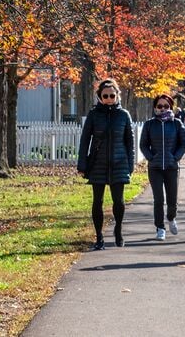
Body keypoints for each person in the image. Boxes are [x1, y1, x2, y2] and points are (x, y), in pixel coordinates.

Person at [77, 79, 135, 250]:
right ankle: (99, 236)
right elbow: (85, 140)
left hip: (119, 163)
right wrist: (82, 164)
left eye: (112, 95)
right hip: (98, 163)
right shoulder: (94, 115)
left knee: (119, 201)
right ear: (100, 97)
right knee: (97, 201)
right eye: (105, 96)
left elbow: (129, 143)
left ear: (117, 95)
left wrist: (130, 166)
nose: (109, 98)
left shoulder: (124, 115)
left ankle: (118, 229)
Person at [139, 93, 185, 240]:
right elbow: (143, 145)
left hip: (172, 167)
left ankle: (171, 218)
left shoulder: (177, 123)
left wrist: (175, 157)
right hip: (155, 168)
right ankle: (160, 227)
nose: (163, 108)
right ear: (155, 108)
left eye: (166, 106)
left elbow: (183, 143)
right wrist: (151, 158)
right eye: (159, 106)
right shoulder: (149, 124)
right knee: (158, 199)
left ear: (170, 107)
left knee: (172, 200)